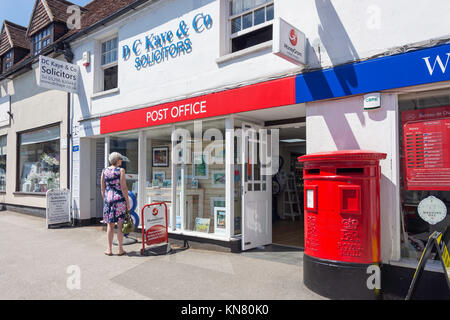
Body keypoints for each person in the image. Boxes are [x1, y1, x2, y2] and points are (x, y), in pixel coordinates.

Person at [101, 152, 130, 256]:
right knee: (120, 224)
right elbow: (124, 187)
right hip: (119, 200)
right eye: (120, 159)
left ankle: (109, 249)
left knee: (110, 225)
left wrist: (105, 199)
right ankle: (120, 249)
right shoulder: (121, 170)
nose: (121, 161)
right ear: (117, 160)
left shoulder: (104, 171)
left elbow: (102, 188)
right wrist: (127, 202)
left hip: (108, 200)